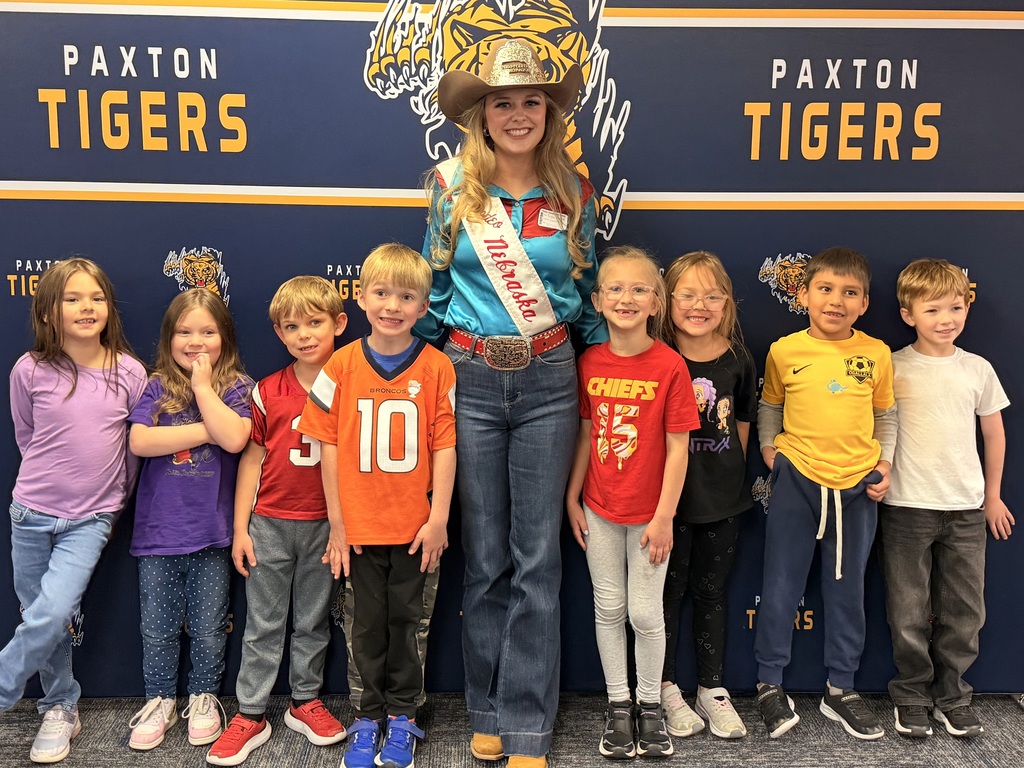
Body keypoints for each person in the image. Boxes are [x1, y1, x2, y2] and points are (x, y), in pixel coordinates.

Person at [417, 36, 606, 768]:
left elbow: (587, 302)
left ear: (549, 113)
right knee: (487, 556)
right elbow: (433, 293)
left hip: (551, 379)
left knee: (537, 559)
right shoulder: (448, 185)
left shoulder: (575, 194)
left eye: (532, 101)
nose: (519, 114)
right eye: (504, 102)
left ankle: (528, 723)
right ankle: (486, 710)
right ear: (481, 114)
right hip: (465, 374)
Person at [299, 244, 456, 768]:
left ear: (424, 305)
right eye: (382, 293)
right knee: (364, 627)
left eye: (406, 296)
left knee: (409, 626)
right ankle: (367, 717)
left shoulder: (437, 367)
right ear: (361, 296)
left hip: (415, 529)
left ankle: (405, 717)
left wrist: (438, 520)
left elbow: (445, 447)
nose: (392, 305)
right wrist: (338, 526)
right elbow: (327, 445)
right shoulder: (339, 366)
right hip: (360, 529)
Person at [0, 258, 146, 764]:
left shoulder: (128, 371)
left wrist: (111, 509)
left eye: (96, 298)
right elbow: (27, 437)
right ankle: (60, 706)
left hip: (90, 520)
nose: (87, 307)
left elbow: (131, 451)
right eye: (72, 298)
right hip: (30, 515)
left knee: (54, 611)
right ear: (48, 310)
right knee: (41, 619)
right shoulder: (29, 369)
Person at [755, 246, 896, 740]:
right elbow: (769, 404)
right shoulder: (784, 349)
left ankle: (842, 688)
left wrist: (884, 464)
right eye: (826, 289)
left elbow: (886, 414)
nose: (836, 301)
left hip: (857, 486)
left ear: (863, 303)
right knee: (781, 586)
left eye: (849, 293)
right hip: (798, 482)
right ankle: (769, 683)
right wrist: (773, 454)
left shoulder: (875, 353)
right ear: (804, 295)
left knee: (848, 590)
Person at [205, 277, 348, 766]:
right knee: (263, 624)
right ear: (279, 333)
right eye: (293, 326)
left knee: (312, 620)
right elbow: (252, 458)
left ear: (339, 324)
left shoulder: (352, 385)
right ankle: (251, 712)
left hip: (326, 525)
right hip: (269, 520)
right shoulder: (268, 390)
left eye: (315, 322)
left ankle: (304, 701)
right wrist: (241, 527)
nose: (305, 334)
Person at [565, 246, 700, 759]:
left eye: (639, 288)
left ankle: (649, 704)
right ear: (597, 300)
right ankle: (618, 704)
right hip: (599, 508)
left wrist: (664, 515)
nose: (626, 298)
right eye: (615, 289)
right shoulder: (589, 361)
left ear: (656, 301)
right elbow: (583, 434)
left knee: (645, 614)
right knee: (609, 607)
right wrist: (572, 498)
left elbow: (678, 446)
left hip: (649, 516)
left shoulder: (669, 366)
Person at [879, 258, 1012, 739]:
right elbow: (877, 427)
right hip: (905, 508)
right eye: (933, 308)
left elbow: (994, 435)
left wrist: (992, 497)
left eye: (956, 306)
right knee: (908, 611)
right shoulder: (890, 366)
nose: (947, 318)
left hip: (965, 511)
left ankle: (953, 697)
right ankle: (911, 696)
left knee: (964, 612)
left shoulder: (977, 368)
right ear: (908, 313)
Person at [126, 289, 253, 752]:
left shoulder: (237, 387)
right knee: (157, 630)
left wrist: (203, 389)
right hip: (160, 535)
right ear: (168, 337)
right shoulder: (157, 385)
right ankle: (159, 699)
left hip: (212, 533)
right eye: (185, 331)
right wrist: (208, 430)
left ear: (225, 338)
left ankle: (203, 698)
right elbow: (140, 442)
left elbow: (237, 439)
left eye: (207, 331)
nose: (195, 341)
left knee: (207, 626)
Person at [658, 251, 757, 740]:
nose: (700, 305)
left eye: (712, 296)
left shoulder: (738, 358)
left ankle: (712, 689)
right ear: (667, 300)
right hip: (665, 504)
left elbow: (741, 426)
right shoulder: (655, 353)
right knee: (668, 595)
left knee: (712, 593)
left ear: (727, 303)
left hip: (723, 500)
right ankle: (666, 686)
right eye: (688, 295)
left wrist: (727, 479)